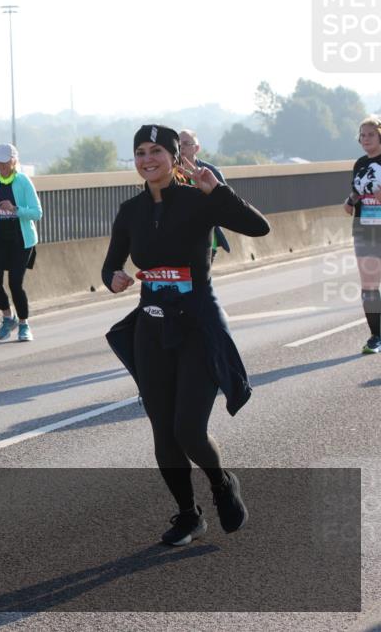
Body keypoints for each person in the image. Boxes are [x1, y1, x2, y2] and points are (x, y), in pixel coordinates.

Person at [102, 124, 270, 546]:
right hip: (152, 328)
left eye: (156, 150)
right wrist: (115, 279)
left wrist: (218, 191)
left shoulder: (200, 201)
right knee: (163, 434)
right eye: (140, 152)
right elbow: (110, 266)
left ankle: (220, 483)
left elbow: (258, 227)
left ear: (176, 158)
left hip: (198, 324)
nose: (147, 159)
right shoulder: (130, 211)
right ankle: (187, 515)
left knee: (189, 430)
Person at [0, 143, 43, 341]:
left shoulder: (23, 181)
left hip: (20, 240)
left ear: (14, 162)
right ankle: (8, 317)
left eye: (4, 163)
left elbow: (37, 213)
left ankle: (24, 324)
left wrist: (15, 209)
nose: (0, 166)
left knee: (15, 283)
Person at [343, 115, 381, 354]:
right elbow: (355, 195)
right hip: (365, 228)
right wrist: (350, 201)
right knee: (369, 285)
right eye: (362, 135)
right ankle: (376, 336)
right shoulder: (360, 164)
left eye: (371, 135)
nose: (366, 139)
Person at [179, 129, 231, 259]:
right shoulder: (169, 172)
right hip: (178, 240)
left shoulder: (209, 171)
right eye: (178, 144)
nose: (181, 148)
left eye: (185, 143)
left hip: (206, 241)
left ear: (196, 148)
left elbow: (227, 201)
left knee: (198, 279)